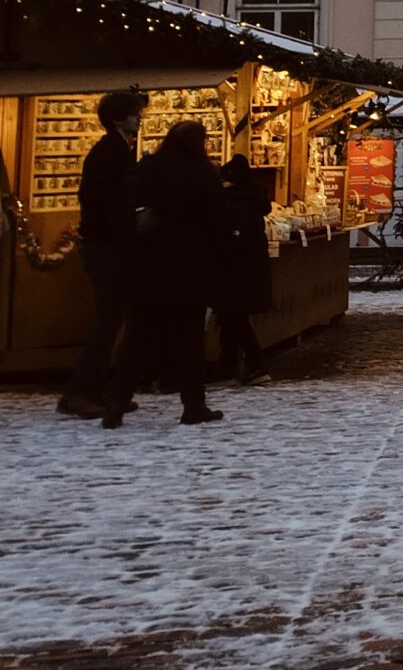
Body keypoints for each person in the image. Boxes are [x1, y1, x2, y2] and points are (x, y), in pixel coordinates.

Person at [103, 119, 227, 429]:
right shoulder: (203, 174)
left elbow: (121, 212)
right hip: (189, 268)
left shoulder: (147, 169)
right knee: (189, 340)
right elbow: (218, 223)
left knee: (137, 338)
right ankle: (193, 405)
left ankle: (116, 403)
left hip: (148, 266)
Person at [60, 88, 147, 418]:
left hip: (109, 242)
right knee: (108, 318)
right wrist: (124, 225)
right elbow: (100, 199)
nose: (139, 118)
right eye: (134, 113)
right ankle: (81, 391)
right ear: (118, 118)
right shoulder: (110, 151)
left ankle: (98, 388)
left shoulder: (117, 149)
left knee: (113, 317)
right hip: (107, 245)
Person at [212, 153, 274, 386]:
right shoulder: (249, 201)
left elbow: (238, 239)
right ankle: (228, 364)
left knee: (234, 318)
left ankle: (256, 364)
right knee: (231, 318)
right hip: (246, 271)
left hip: (239, 272)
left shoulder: (240, 205)